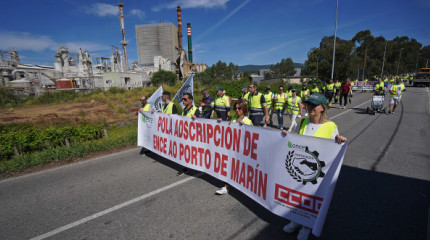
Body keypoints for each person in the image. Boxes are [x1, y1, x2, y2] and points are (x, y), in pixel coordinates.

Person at [281, 93, 347, 240]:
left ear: (322, 108)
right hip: (300, 167)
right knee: (298, 196)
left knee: (312, 198)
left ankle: (307, 226)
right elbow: (297, 141)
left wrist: (340, 140)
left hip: (317, 171)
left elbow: (335, 146)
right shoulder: (304, 122)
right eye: (308, 104)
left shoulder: (330, 126)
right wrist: (286, 137)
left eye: (313, 105)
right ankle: (296, 221)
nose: (309, 107)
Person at [216, 101, 253, 195]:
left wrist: (245, 126)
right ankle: (225, 187)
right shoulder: (233, 118)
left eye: (239, 108)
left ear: (244, 109)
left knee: (239, 168)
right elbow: (227, 128)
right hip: (232, 148)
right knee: (229, 166)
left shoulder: (248, 121)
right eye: (235, 108)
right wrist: (221, 122)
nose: (237, 110)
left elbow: (252, 135)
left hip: (241, 149)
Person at [179, 93, 201, 175]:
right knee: (184, 150)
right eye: (183, 99)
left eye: (185, 99)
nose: (183, 101)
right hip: (184, 134)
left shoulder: (196, 109)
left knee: (193, 151)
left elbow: (201, 122)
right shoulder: (183, 110)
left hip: (193, 135)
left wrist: (197, 118)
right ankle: (185, 166)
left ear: (191, 100)